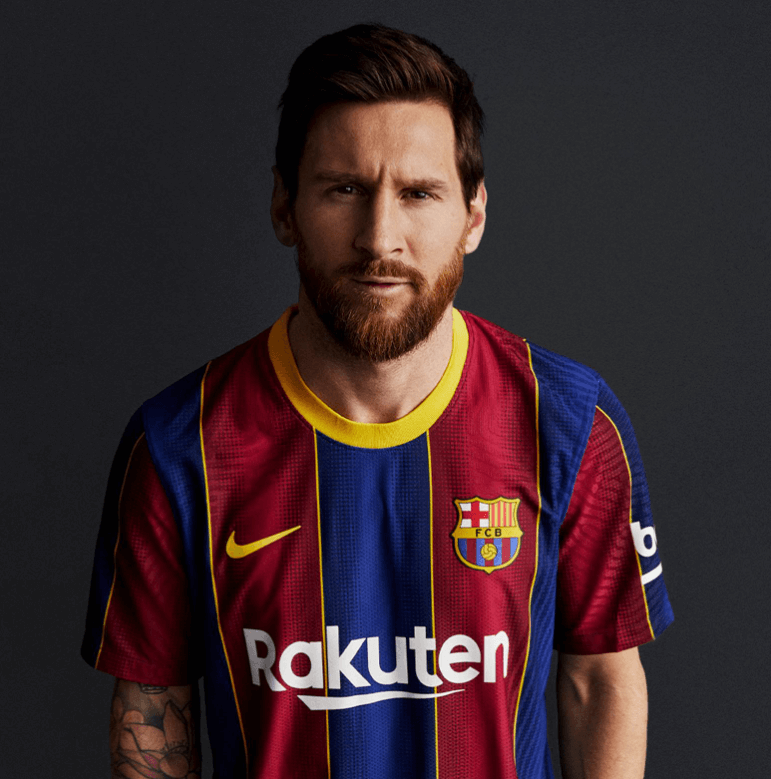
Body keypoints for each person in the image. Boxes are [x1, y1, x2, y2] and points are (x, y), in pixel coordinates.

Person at [82, 23, 673, 779]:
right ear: (284, 206)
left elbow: (600, 680)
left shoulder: (569, 422)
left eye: (418, 193)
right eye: (345, 189)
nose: (379, 237)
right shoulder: (178, 444)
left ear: (474, 216)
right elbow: (152, 712)